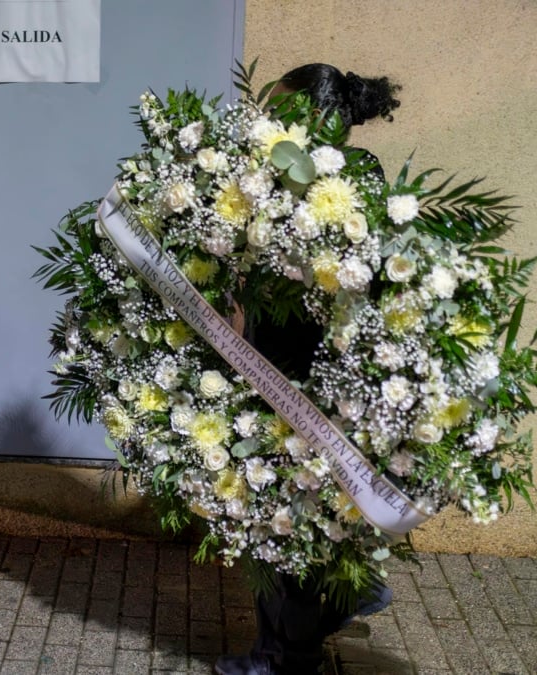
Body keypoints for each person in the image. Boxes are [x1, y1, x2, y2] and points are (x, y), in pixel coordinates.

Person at [217, 63, 401, 675]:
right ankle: (349, 594)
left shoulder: (340, 183)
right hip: (297, 367)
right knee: (295, 512)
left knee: (280, 517)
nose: (270, 125)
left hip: (302, 373)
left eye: (282, 113)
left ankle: (282, 655)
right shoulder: (347, 177)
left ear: (318, 119)